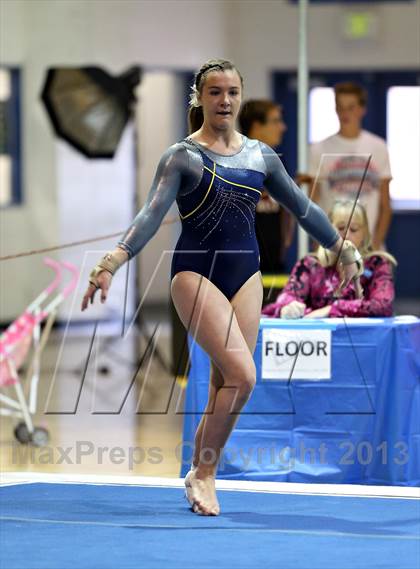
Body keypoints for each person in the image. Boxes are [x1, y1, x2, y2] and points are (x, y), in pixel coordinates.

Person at [81, 59, 363, 516]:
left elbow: (304, 207)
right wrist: (113, 260)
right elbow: (150, 215)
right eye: (215, 92)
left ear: (240, 96)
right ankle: (206, 474)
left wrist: (342, 247)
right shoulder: (182, 157)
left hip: (245, 276)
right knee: (244, 376)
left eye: (232, 92)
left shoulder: (260, 156)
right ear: (200, 98)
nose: (225, 100)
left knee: (222, 384)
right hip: (194, 274)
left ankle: (197, 470)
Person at [262, 200, 396, 319]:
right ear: (327, 231)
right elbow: (283, 301)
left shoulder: (378, 264)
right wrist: (288, 307)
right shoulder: (310, 264)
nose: (347, 235)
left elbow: (383, 305)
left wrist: (331, 309)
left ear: (365, 233)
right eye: (341, 228)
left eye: (354, 229)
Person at [306, 82, 392, 250]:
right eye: (340, 107)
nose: (345, 113)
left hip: (369, 246)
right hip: (331, 245)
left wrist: (375, 243)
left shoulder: (378, 147)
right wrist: (318, 244)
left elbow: (386, 205)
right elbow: (312, 203)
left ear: (362, 109)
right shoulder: (318, 149)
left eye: (351, 107)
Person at [238, 100, 294, 272]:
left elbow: (286, 206)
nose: (282, 127)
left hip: (274, 259)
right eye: (276, 121)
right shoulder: (234, 160)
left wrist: (286, 241)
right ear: (257, 126)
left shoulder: (277, 160)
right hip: (242, 262)